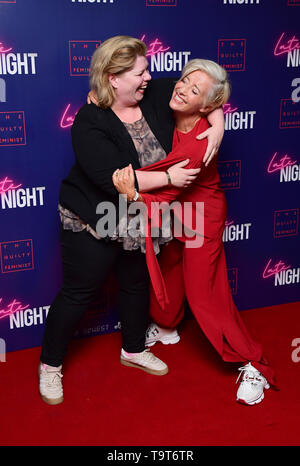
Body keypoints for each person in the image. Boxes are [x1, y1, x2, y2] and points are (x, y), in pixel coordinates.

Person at [39, 36, 225, 405]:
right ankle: (50, 365)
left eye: (147, 70)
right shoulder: (89, 121)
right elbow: (115, 179)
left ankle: (134, 349)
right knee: (80, 291)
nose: (149, 77)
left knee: (134, 283)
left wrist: (217, 124)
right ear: (113, 78)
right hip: (97, 213)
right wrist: (169, 179)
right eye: (140, 73)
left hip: (139, 211)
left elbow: (207, 90)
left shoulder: (154, 93)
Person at [112, 58, 276, 406]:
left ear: (207, 105)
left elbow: (168, 190)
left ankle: (252, 363)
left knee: (205, 295)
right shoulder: (169, 105)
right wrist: (220, 120)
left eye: (194, 90)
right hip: (177, 212)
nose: (183, 89)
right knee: (170, 272)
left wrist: (132, 193)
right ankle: (168, 327)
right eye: (185, 80)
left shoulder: (200, 142)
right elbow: (142, 89)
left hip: (201, 215)